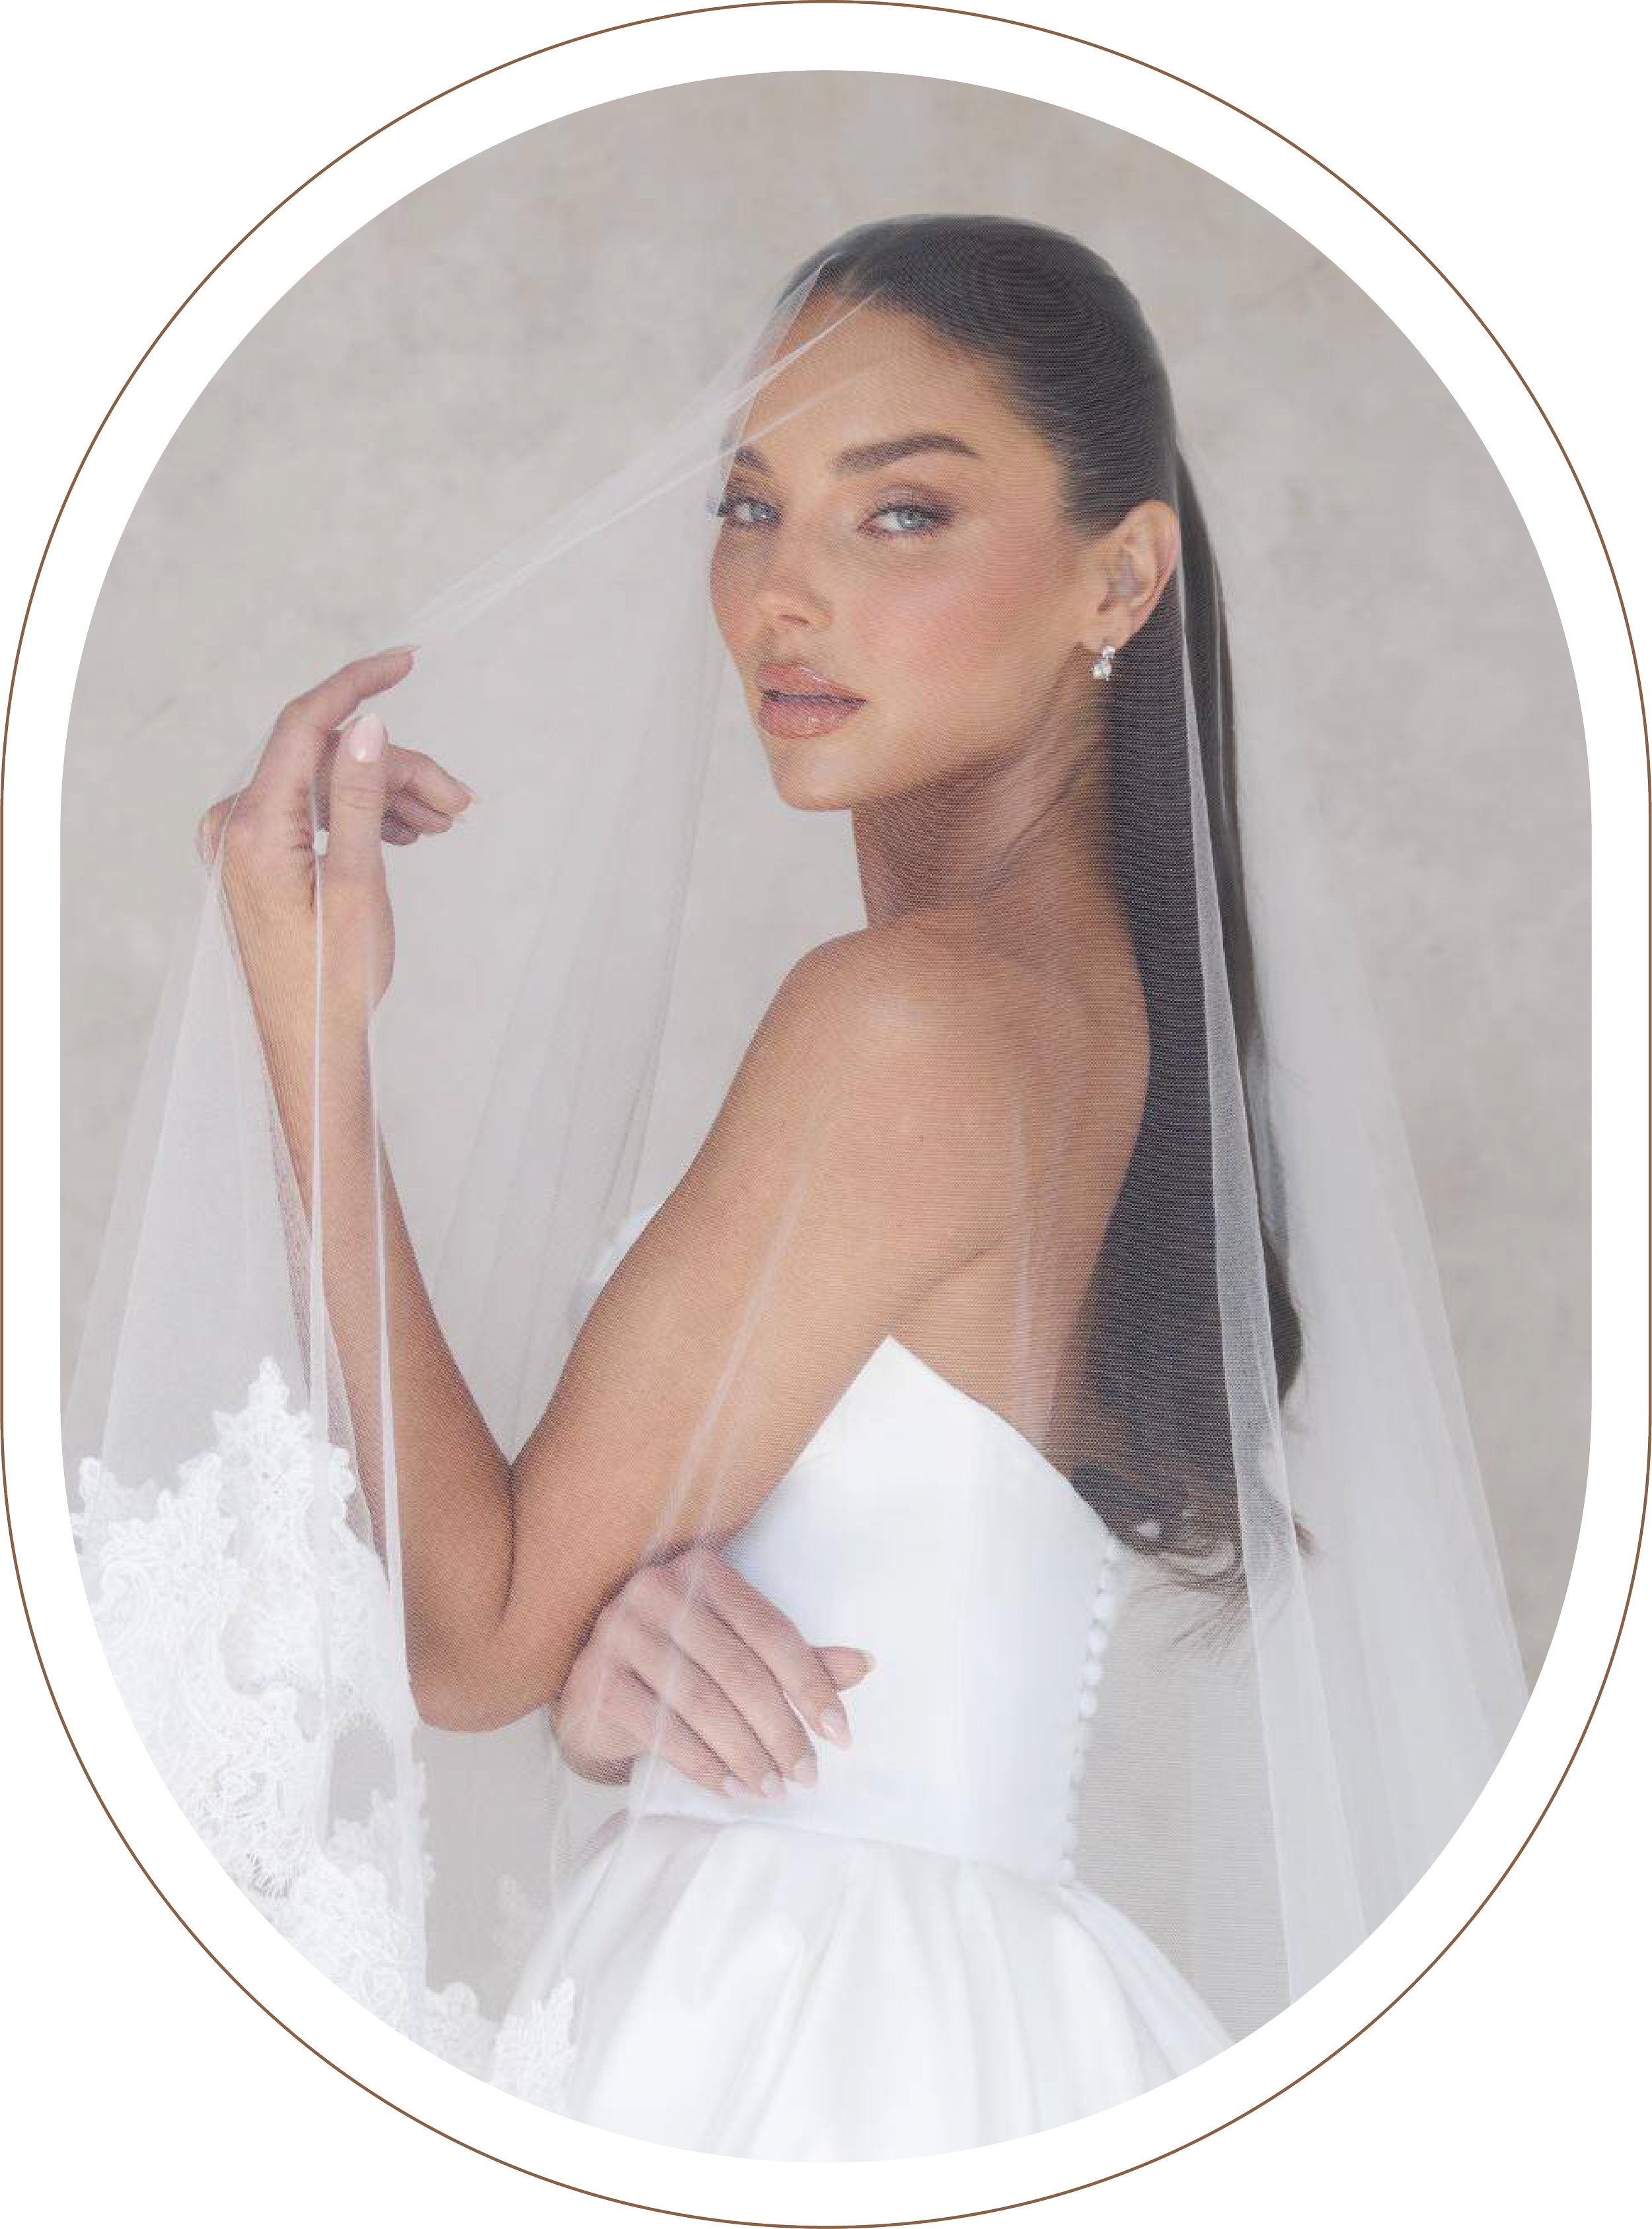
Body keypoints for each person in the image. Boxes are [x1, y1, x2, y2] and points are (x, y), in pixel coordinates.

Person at [71, 215, 1529, 2164]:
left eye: (900, 512)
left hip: (799, 2021)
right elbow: (749, 1590)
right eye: (749, 507)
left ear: (1120, 575)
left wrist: (307, 1025)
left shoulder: (905, 1021)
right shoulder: (1097, 1007)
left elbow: (472, 1633)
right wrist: (624, 1672)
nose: (783, 593)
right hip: (943, 1995)